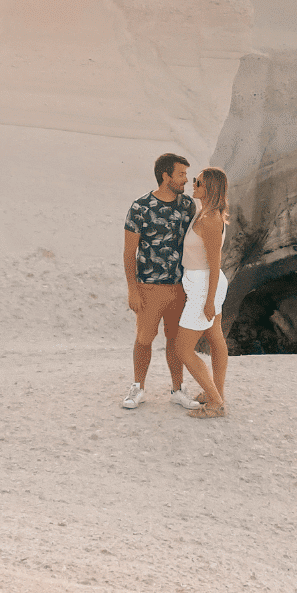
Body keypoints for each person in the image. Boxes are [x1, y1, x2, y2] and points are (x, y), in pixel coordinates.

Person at [122, 153, 200, 410]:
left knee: (175, 340)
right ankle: (138, 387)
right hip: (149, 287)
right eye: (181, 174)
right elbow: (129, 251)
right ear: (166, 175)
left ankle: (178, 389)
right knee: (144, 338)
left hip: (179, 287)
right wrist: (133, 289)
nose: (186, 180)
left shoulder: (187, 205)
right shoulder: (140, 207)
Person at [175, 166, 229, 419]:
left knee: (183, 349)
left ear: (211, 188)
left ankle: (216, 402)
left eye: (198, 182)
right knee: (216, 339)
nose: (193, 184)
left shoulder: (210, 220)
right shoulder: (204, 213)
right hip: (202, 283)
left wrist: (208, 301)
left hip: (204, 286)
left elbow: (215, 264)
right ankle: (214, 393)